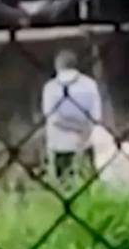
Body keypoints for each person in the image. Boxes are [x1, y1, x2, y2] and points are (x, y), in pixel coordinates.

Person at [42, 50, 102, 181]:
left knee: (64, 184)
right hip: (86, 142)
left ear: (57, 66)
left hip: (60, 146)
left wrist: (73, 126)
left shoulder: (50, 87)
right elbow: (97, 116)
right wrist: (84, 129)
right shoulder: (90, 84)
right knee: (88, 183)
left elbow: (52, 118)